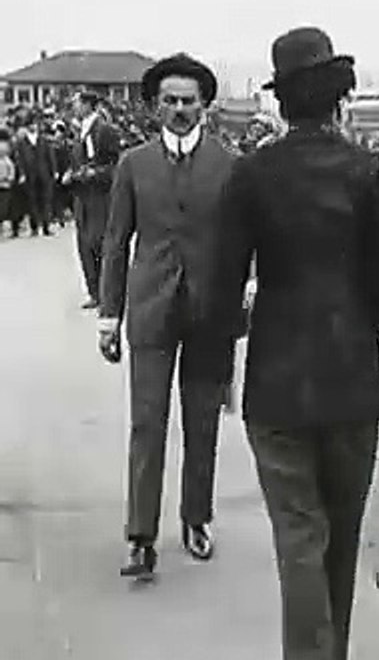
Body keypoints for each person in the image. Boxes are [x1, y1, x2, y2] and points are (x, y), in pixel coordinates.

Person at [218, 26, 379, 660]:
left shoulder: (251, 174)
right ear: (338, 96)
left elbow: (225, 280)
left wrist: (219, 367)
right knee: (341, 533)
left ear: (282, 100)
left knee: (299, 538)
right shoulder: (366, 171)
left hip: (276, 385)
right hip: (351, 382)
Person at [99, 54, 236, 580]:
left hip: (208, 313)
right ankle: (140, 536)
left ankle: (196, 519)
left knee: (202, 423)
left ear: (205, 104)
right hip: (151, 309)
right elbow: (115, 242)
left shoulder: (229, 164)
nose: (180, 110)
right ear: (155, 106)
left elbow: (243, 239)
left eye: (189, 101)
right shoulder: (133, 164)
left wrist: (243, 287)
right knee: (145, 423)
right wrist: (109, 315)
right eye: (170, 101)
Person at [67, 91, 120, 309]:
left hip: (99, 197)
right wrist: (71, 174)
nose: (74, 107)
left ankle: (107, 292)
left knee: (99, 244)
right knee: (84, 246)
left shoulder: (104, 130)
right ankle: (93, 292)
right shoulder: (79, 131)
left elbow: (115, 165)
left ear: (89, 105)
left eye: (77, 103)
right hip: (82, 197)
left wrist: (95, 174)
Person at [13, 110, 58, 236]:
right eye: (31, 125)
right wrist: (21, 174)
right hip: (29, 175)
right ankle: (34, 227)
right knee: (32, 201)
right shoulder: (22, 142)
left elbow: (50, 156)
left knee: (46, 200)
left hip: (44, 174)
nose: (33, 127)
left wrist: (54, 171)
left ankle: (46, 227)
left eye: (35, 124)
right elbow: (19, 160)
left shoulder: (43, 140)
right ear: (27, 127)